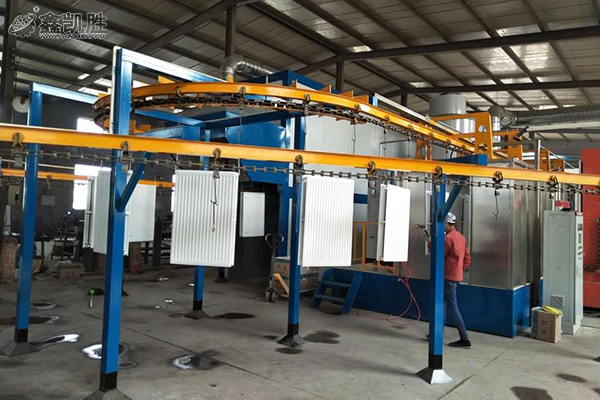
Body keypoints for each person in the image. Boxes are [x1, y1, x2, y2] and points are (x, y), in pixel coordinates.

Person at [442, 212, 471, 348]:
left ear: (447, 223)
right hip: (455, 277)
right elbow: (467, 258)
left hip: (447, 277)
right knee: (441, 305)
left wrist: (430, 243)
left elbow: (439, 255)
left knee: (453, 308)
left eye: (443, 223)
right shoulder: (461, 237)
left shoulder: (448, 238)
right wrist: (458, 269)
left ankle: (464, 338)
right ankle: (437, 332)